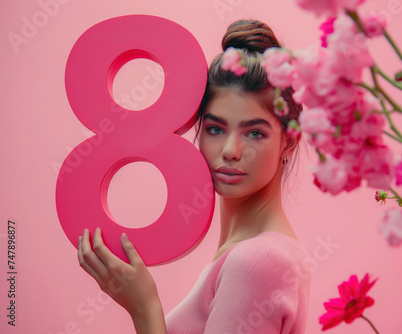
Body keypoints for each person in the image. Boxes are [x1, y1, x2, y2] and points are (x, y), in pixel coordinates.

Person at [77, 19, 311, 334]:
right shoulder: (248, 254)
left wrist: (144, 307)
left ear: (289, 142)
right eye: (215, 128)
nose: (230, 150)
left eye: (255, 133)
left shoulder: (257, 261)